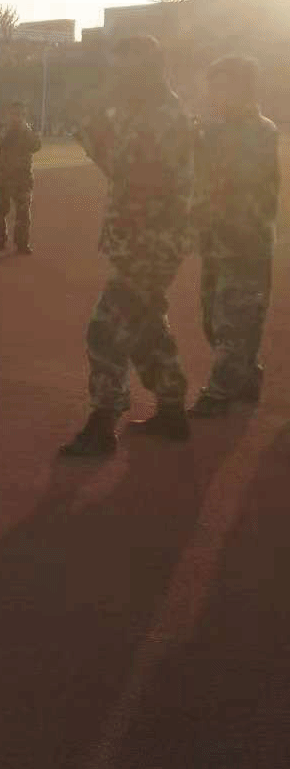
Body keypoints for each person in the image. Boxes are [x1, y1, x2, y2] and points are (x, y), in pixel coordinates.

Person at [60, 35, 195, 455]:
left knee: (106, 329)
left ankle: (103, 422)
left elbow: (131, 170)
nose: (116, 75)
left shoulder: (160, 115)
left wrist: (94, 132)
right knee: (147, 324)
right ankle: (171, 408)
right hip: (143, 237)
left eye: (124, 68)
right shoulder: (147, 110)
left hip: (150, 240)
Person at [189, 55, 280, 416]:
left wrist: (200, 139)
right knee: (216, 316)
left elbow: (232, 175)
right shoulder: (219, 129)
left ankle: (220, 393)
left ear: (244, 88)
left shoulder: (259, 130)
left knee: (233, 317)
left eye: (221, 87)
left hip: (246, 240)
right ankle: (246, 376)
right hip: (218, 239)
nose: (213, 95)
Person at [0, 100, 42, 254]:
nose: (16, 117)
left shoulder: (29, 129)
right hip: (2, 177)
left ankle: (22, 243)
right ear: (8, 114)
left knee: (23, 212)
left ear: (24, 115)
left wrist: (26, 130)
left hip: (22, 178)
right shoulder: (1, 128)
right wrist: (4, 132)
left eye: (20, 114)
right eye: (13, 114)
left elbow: (36, 146)